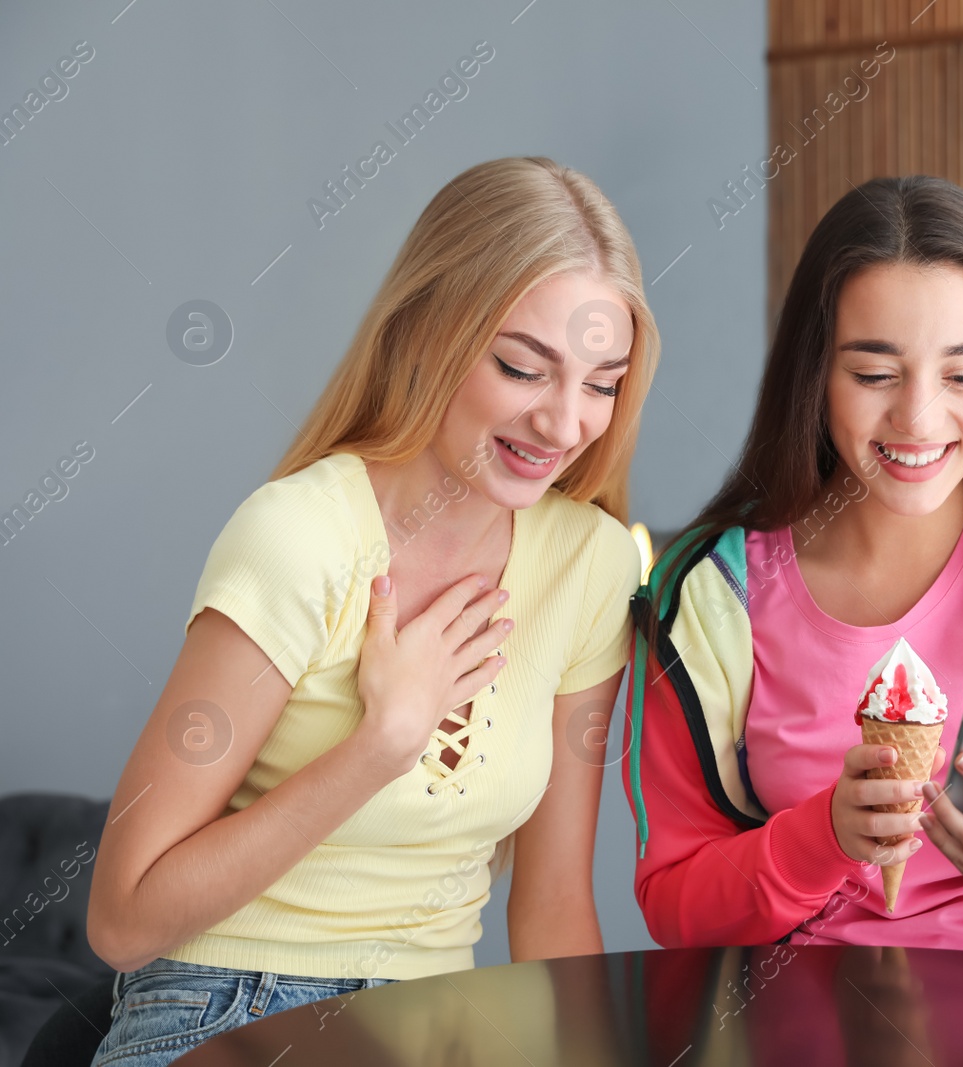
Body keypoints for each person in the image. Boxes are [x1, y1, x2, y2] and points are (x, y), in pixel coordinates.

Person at [84, 156, 659, 1066]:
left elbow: (552, 904)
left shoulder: (588, 565)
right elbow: (122, 920)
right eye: (522, 367)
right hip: (220, 1009)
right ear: (429, 332)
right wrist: (379, 747)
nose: (564, 423)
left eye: (601, 383)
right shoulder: (298, 539)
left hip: (441, 1023)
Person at [622, 175, 963, 966]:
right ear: (814, 376)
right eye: (875, 374)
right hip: (792, 1012)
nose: (918, 419)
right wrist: (823, 837)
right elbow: (674, 903)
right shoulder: (704, 595)